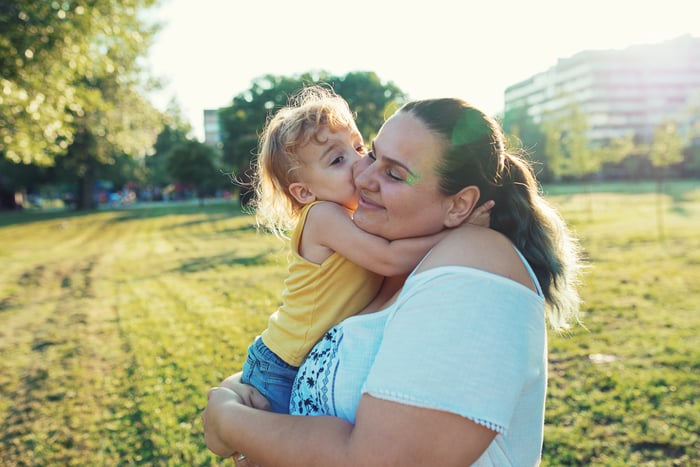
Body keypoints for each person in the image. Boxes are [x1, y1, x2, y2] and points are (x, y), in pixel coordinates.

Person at [203, 97, 582, 466]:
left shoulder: (476, 261)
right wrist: (237, 391)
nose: (362, 175)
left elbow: (379, 460)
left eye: (394, 173)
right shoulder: (384, 266)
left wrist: (230, 421)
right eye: (372, 154)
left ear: (459, 206)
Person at [238, 86, 459, 414]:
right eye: (338, 160)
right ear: (304, 191)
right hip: (280, 366)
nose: (358, 164)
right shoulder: (323, 217)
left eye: (359, 147)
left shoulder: (353, 216)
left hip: (301, 359)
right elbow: (388, 257)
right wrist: (454, 230)